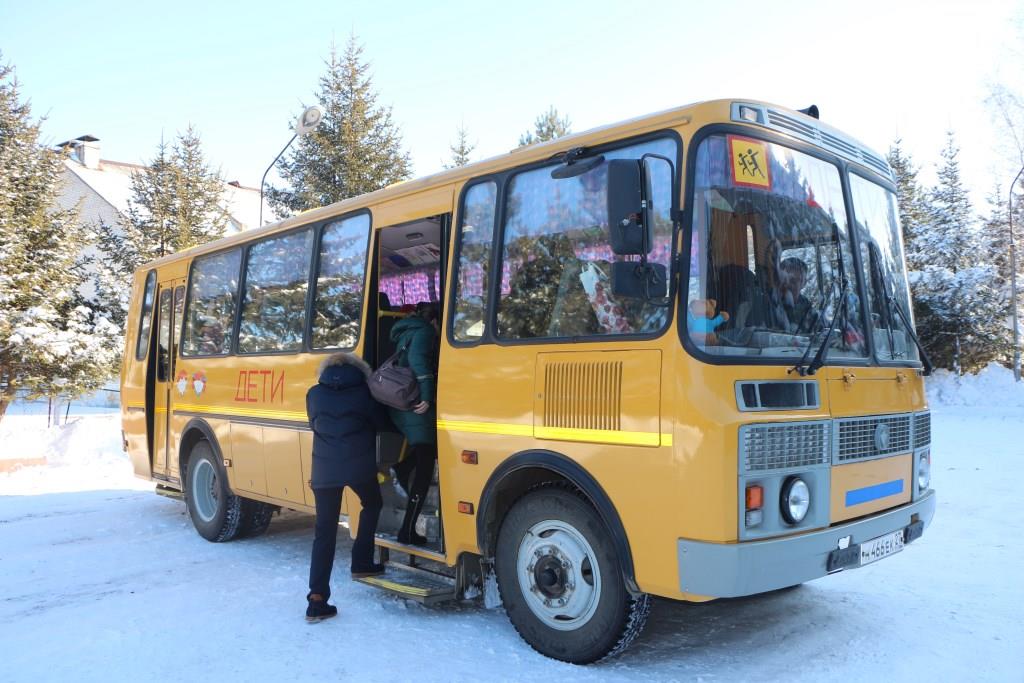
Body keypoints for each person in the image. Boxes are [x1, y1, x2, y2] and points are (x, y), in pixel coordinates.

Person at [305, 352, 387, 622]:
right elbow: (380, 423)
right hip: (358, 466)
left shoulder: (314, 394)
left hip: (324, 470)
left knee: (324, 532)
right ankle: (361, 562)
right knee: (372, 503)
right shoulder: (365, 393)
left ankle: (317, 599)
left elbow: (313, 424)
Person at [388, 302, 440, 546]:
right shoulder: (425, 331)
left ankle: (402, 468)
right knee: (425, 469)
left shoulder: (407, 330)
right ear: (435, 321)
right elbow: (418, 362)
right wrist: (427, 396)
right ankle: (407, 531)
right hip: (417, 406)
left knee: (427, 453)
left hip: (403, 403)